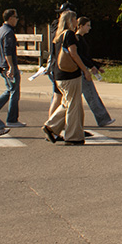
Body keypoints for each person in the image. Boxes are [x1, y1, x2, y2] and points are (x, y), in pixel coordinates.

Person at [42, 10, 92, 145]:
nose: (77, 22)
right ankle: (73, 137)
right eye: (75, 19)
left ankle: (51, 127)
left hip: (59, 74)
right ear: (70, 21)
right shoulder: (69, 34)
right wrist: (85, 70)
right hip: (70, 75)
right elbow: (74, 54)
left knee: (67, 102)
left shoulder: (58, 36)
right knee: (74, 105)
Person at [0, 8, 26, 127]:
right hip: (8, 66)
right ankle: (12, 119)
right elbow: (7, 51)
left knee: (10, 90)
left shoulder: (1, 30)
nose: (17, 20)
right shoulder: (9, 32)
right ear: (10, 18)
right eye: (16, 17)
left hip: (1, 64)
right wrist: (11, 67)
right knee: (14, 92)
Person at [76, 17, 114, 127]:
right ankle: (103, 119)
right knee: (92, 95)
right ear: (81, 26)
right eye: (87, 25)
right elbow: (81, 57)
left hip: (83, 70)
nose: (89, 28)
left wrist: (96, 66)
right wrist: (91, 66)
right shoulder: (77, 39)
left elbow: (87, 57)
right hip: (81, 71)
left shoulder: (82, 39)